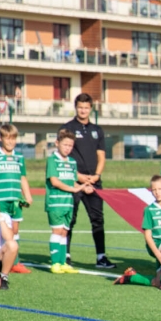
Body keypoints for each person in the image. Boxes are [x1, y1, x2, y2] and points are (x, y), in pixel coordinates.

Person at [61, 93, 115, 269]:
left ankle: (101, 257)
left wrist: (96, 176)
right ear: (76, 107)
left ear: (91, 108)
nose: (83, 110)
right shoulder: (67, 128)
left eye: (86, 107)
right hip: (74, 181)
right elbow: (64, 155)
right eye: (80, 107)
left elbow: (101, 155)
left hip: (94, 182)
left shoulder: (97, 130)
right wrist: (79, 177)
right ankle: (65, 255)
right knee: (70, 218)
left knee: (98, 219)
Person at [113, 175, 161, 291]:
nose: (157, 192)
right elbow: (147, 235)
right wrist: (158, 254)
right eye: (154, 190)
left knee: (155, 281)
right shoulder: (149, 210)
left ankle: (131, 277)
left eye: (160, 189)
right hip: (156, 245)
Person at [45, 130, 88, 274]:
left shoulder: (72, 162)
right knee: (57, 231)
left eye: (71, 145)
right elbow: (54, 181)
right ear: (57, 143)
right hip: (56, 203)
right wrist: (73, 189)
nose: (68, 148)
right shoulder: (52, 160)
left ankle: (63, 262)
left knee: (64, 232)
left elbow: (73, 182)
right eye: (65, 145)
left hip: (68, 203)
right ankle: (55, 262)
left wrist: (83, 187)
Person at [0, 124, 32, 274]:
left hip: (16, 200)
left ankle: (14, 261)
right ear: (1, 138)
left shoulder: (19, 158)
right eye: (7, 138)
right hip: (1, 200)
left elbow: (22, 177)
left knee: (15, 229)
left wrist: (28, 195)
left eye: (13, 139)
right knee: (5, 230)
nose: (10, 142)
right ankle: (8, 259)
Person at [0, 210, 17, 289]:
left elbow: (9, 237)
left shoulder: (4, 216)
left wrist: (0, 218)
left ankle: (4, 278)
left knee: (12, 245)